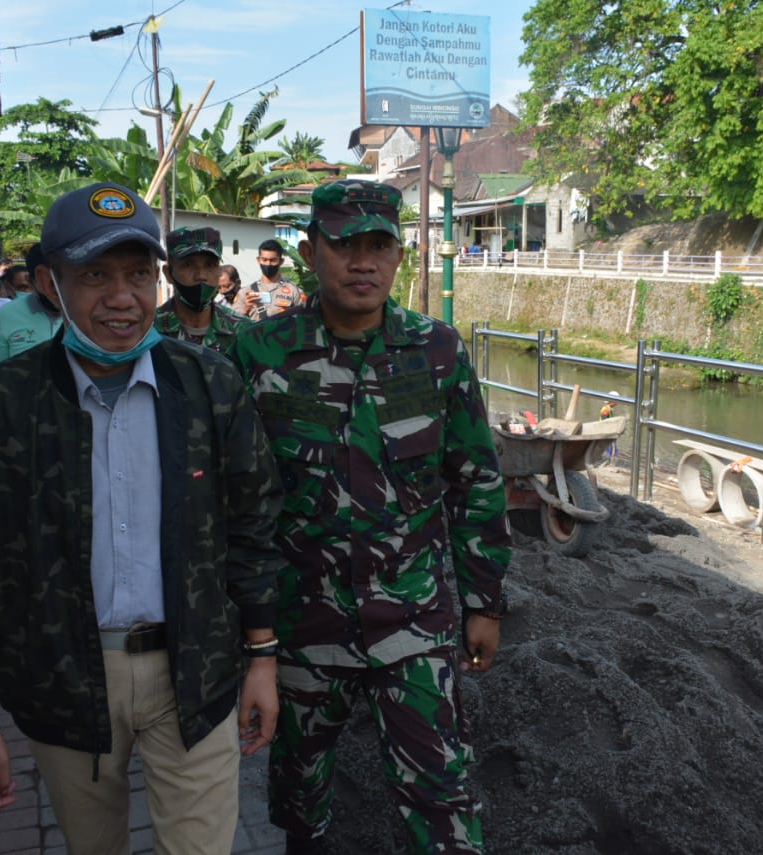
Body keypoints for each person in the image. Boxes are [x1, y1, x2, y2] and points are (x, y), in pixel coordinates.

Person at [0, 181, 284, 855]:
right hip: (62, 679)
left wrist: (261, 657)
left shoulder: (209, 385)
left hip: (196, 671)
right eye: (94, 276)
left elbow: (252, 528)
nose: (122, 298)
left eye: (138, 275)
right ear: (47, 284)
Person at [230, 179, 512, 854]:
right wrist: (249, 638)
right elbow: (237, 504)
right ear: (310, 251)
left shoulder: (437, 350)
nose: (363, 262)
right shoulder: (258, 352)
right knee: (301, 803)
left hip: (413, 621)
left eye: (379, 245)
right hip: (302, 626)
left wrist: (485, 602)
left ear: (399, 255)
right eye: (345, 245)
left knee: (443, 799)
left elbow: (475, 480)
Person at [154, 227, 252, 353]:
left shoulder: (243, 330)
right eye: (188, 265)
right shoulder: (147, 330)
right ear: (168, 274)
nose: (201, 275)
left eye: (210, 265)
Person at [0, 244, 62, 364]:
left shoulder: (87, 311)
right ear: (31, 281)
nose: (57, 290)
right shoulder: (7, 314)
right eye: (51, 282)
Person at [244, 238, 305, 320]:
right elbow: (233, 325)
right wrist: (245, 309)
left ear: (281, 261)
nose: (268, 264)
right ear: (258, 260)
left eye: (273, 260)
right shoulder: (245, 292)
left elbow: (304, 320)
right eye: (264, 260)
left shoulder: (294, 292)